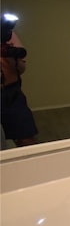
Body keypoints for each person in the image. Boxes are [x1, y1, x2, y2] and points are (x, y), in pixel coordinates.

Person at [1, 13, 38, 147]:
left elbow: (21, 68)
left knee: (27, 139)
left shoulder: (7, 34)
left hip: (12, 93)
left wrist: (9, 56)